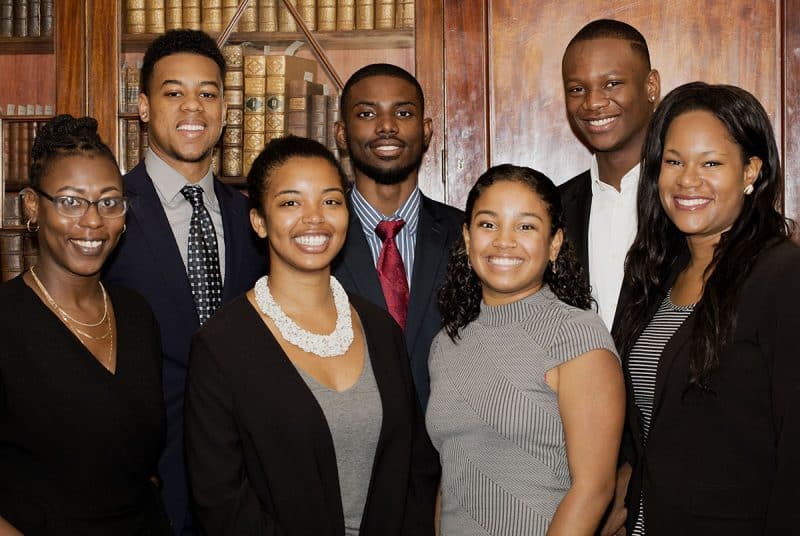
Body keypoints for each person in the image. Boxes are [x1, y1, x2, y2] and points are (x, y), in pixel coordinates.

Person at [184, 136, 440, 534]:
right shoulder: (221, 345)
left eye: (331, 200)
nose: (315, 217)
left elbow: (415, 468)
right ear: (259, 220)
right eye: (290, 202)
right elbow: (221, 501)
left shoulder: (380, 328)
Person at [608, 82, 800, 535]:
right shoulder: (654, 275)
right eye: (673, 161)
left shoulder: (782, 276)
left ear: (751, 171)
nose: (687, 180)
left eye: (710, 163)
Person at [103, 29, 264, 534]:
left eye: (208, 93)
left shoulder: (252, 219)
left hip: (245, 481)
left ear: (225, 109)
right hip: (142, 484)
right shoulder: (105, 214)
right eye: (174, 92)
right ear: (145, 106)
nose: (193, 107)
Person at [427, 164, 625, 535]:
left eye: (526, 226)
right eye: (488, 224)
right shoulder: (445, 344)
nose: (504, 241)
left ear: (555, 243)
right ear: (468, 239)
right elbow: (452, 476)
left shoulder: (576, 335)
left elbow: (594, 489)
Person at [0, 115, 170, 534]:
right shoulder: (5, 321)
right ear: (33, 205)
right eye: (71, 201)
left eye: (110, 201)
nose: (93, 221)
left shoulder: (136, 314)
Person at [332, 63, 464, 410]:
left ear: (426, 131)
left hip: (447, 456)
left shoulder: (467, 237)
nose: (387, 126)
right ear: (342, 134)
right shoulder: (314, 239)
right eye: (367, 113)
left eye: (403, 113)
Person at [559, 19, 660, 329]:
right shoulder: (551, 208)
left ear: (651, 86)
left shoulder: (687, 201)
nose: (593, 103)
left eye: (612, 83)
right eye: (577, 89)